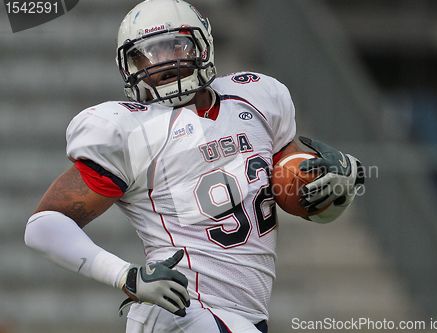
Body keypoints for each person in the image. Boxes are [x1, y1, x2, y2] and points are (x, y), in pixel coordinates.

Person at [24, 0, 364, 332]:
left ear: (202, 46)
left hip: (241, 313)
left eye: (175, 47)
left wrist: (335, 193)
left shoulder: (258, 98)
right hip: (182, 308)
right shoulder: (131, 131)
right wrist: (126, 276)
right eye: (148, 54)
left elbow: (298, 197)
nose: (163, 63)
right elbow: (43, 225)